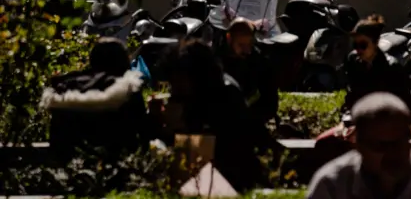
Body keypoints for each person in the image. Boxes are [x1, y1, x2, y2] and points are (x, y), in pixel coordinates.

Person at [308, 93, 411, 199]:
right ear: (358, 144)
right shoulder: (332, 185)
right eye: (380, 146)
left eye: (397, 143)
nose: (391, 153)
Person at [153, 39, 258, 191]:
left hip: (227, 175)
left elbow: (222, 145)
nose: (175, 88)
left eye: (179, 81)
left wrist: (181, 127)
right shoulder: (192, 95)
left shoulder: (225, 96)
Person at [41, 37, 148, 163]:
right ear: (123, 61)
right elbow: (142, 132)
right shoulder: (127, 88)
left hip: (65, 164)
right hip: (115, 165)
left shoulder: (67, 85)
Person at [344, 16, 411, 125]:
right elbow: (351, 95)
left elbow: (398, 107)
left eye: (363, 45)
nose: (358, 50)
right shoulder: (353, 62)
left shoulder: (391, 67)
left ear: (375, 43)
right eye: (355, 45)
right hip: (360, 119)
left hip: (385, 122)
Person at [220, 18, 278, 128]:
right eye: (241, 45)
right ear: (229, 38)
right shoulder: (217, 60)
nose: (247, 51)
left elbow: (270, 101)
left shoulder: (258, 62)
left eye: (249, 45)